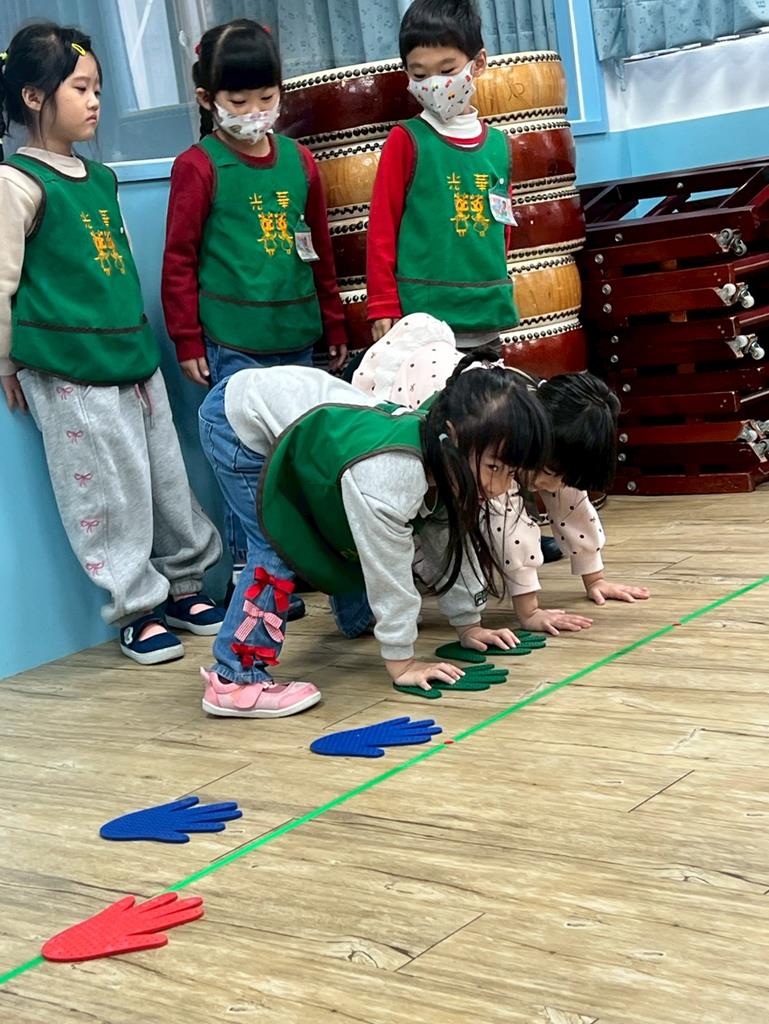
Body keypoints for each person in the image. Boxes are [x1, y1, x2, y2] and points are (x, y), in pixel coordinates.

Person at [0, 22, 224, 665]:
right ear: (35, 98)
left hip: (132, 353)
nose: (95, 101)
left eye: (98, 87)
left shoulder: (98, 178)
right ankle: (135, 608)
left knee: (165, 477)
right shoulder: (17, 183)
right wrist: (7, 361)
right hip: (70, 369)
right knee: (107, 491)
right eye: (80, 88)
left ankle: (185, 587)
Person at [196, 361, 551, 717]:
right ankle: (234, 679)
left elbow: (446, 538)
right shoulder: (391, 476)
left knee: (352, 519)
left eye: (510, 472)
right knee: (277, 544)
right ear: (452, 436)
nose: (499, 487)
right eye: (493, 468)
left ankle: (355, 617)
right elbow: (388, 572)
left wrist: (468, 624)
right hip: (240, 419)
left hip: (304, 422)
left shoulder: (445, 454)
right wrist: (402, 661)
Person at [162, 19, 348, 613]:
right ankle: (258, 582)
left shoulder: (300, 162)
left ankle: (304, 568)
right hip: (234, 344)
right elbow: (179, 259)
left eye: (266, 98)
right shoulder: (198, 166)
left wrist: (333, 324)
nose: (254, 112)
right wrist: (188, 340)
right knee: (248, 465)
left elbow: (320, 252)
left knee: (299, 458)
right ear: (206, 99)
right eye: (238, 101)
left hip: (296, 337)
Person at [353, 316, 651, 634]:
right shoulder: (504, 436)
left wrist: (595, 578)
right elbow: (506, 522)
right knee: (416, 511)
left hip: (443, 377)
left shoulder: (549, 427)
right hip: (402, 391)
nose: (551, 486)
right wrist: (529, 612)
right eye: (549, 472)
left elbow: (571, 501)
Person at [366, 0, 517, 349]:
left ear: (478, 63)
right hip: (423, 326)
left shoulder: (499, 146)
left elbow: (502, 230)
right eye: (420, 75)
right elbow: (382, 228)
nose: (435, 85)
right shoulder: (406, 140)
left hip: (486, 317)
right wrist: (382, 304)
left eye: (448, 69)